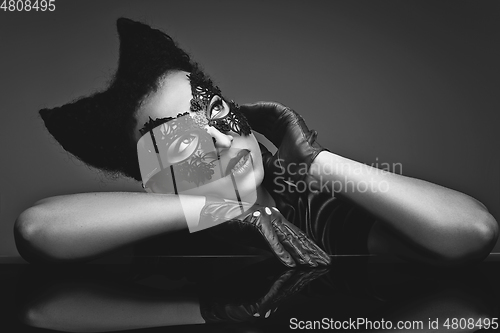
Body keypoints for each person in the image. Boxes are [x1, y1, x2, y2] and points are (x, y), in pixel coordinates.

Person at [14, 18, 498, 267]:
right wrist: (220, 208)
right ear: (153, 176)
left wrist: (316, 163)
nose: (222, 145)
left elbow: (473, 233)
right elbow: (38, 231)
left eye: (218, 113)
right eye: (183, 144)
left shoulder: (311, 213)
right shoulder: (157, 237)